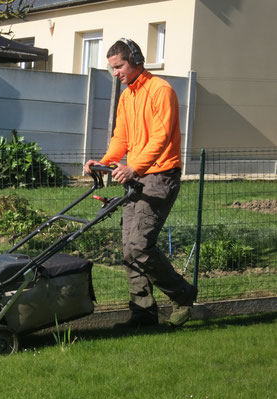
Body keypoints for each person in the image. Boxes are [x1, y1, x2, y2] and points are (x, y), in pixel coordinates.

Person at [84, 38, 197, 328]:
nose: (115, 74)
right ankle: (143, 314)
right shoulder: (127, 97)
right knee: (128, 248)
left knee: (139, 245)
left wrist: (135, 167)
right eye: (112, 68)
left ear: (135, 60)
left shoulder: (161, 90)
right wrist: (104, 162)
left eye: (119, 67)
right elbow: (121, 138)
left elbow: (161, 137)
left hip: (160, 175)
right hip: (136, 177)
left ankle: (182, 295)